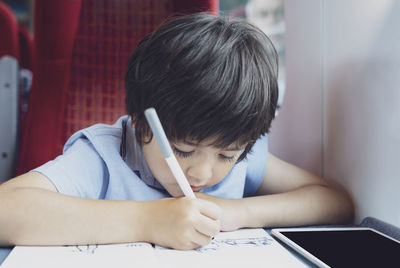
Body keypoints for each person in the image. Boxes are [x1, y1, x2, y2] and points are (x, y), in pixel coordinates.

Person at [0, 13, 353, 250]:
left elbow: (334, 202)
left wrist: (237, 213)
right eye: (183, 150)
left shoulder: (239, 146)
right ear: (140, 122)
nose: (203, 172)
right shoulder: (106, 155)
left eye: (226, 156)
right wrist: (147, 221)